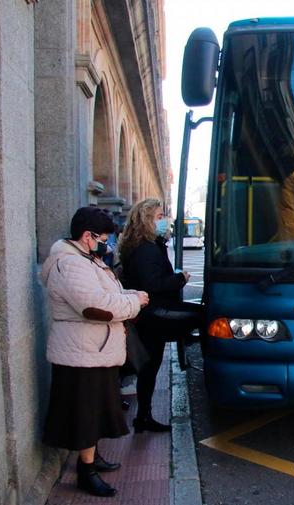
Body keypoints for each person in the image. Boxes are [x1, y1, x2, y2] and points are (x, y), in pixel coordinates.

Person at [41, 206, 149, 498]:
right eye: (104, 238)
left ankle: (91, 458)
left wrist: (129, 296)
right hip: (82, 353)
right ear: (88, 237)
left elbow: (107, 295)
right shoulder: (71, 264)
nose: (108, 244)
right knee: (86, 415)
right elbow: (96, 307)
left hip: (93, 351)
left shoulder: (86, 259)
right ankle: (86, 473)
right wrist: (135, 302)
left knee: (95, 411)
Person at [118, 198, 191, 433]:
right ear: (147, 220)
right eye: (160, 217)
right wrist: (180, 279)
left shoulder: (146, 244)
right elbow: (153, 284)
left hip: (150, 315)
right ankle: (143, 417)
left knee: (149, 367)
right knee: (148, 367)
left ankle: (144, 416)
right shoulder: (146, 249)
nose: (164, 221)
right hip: (153, 316)